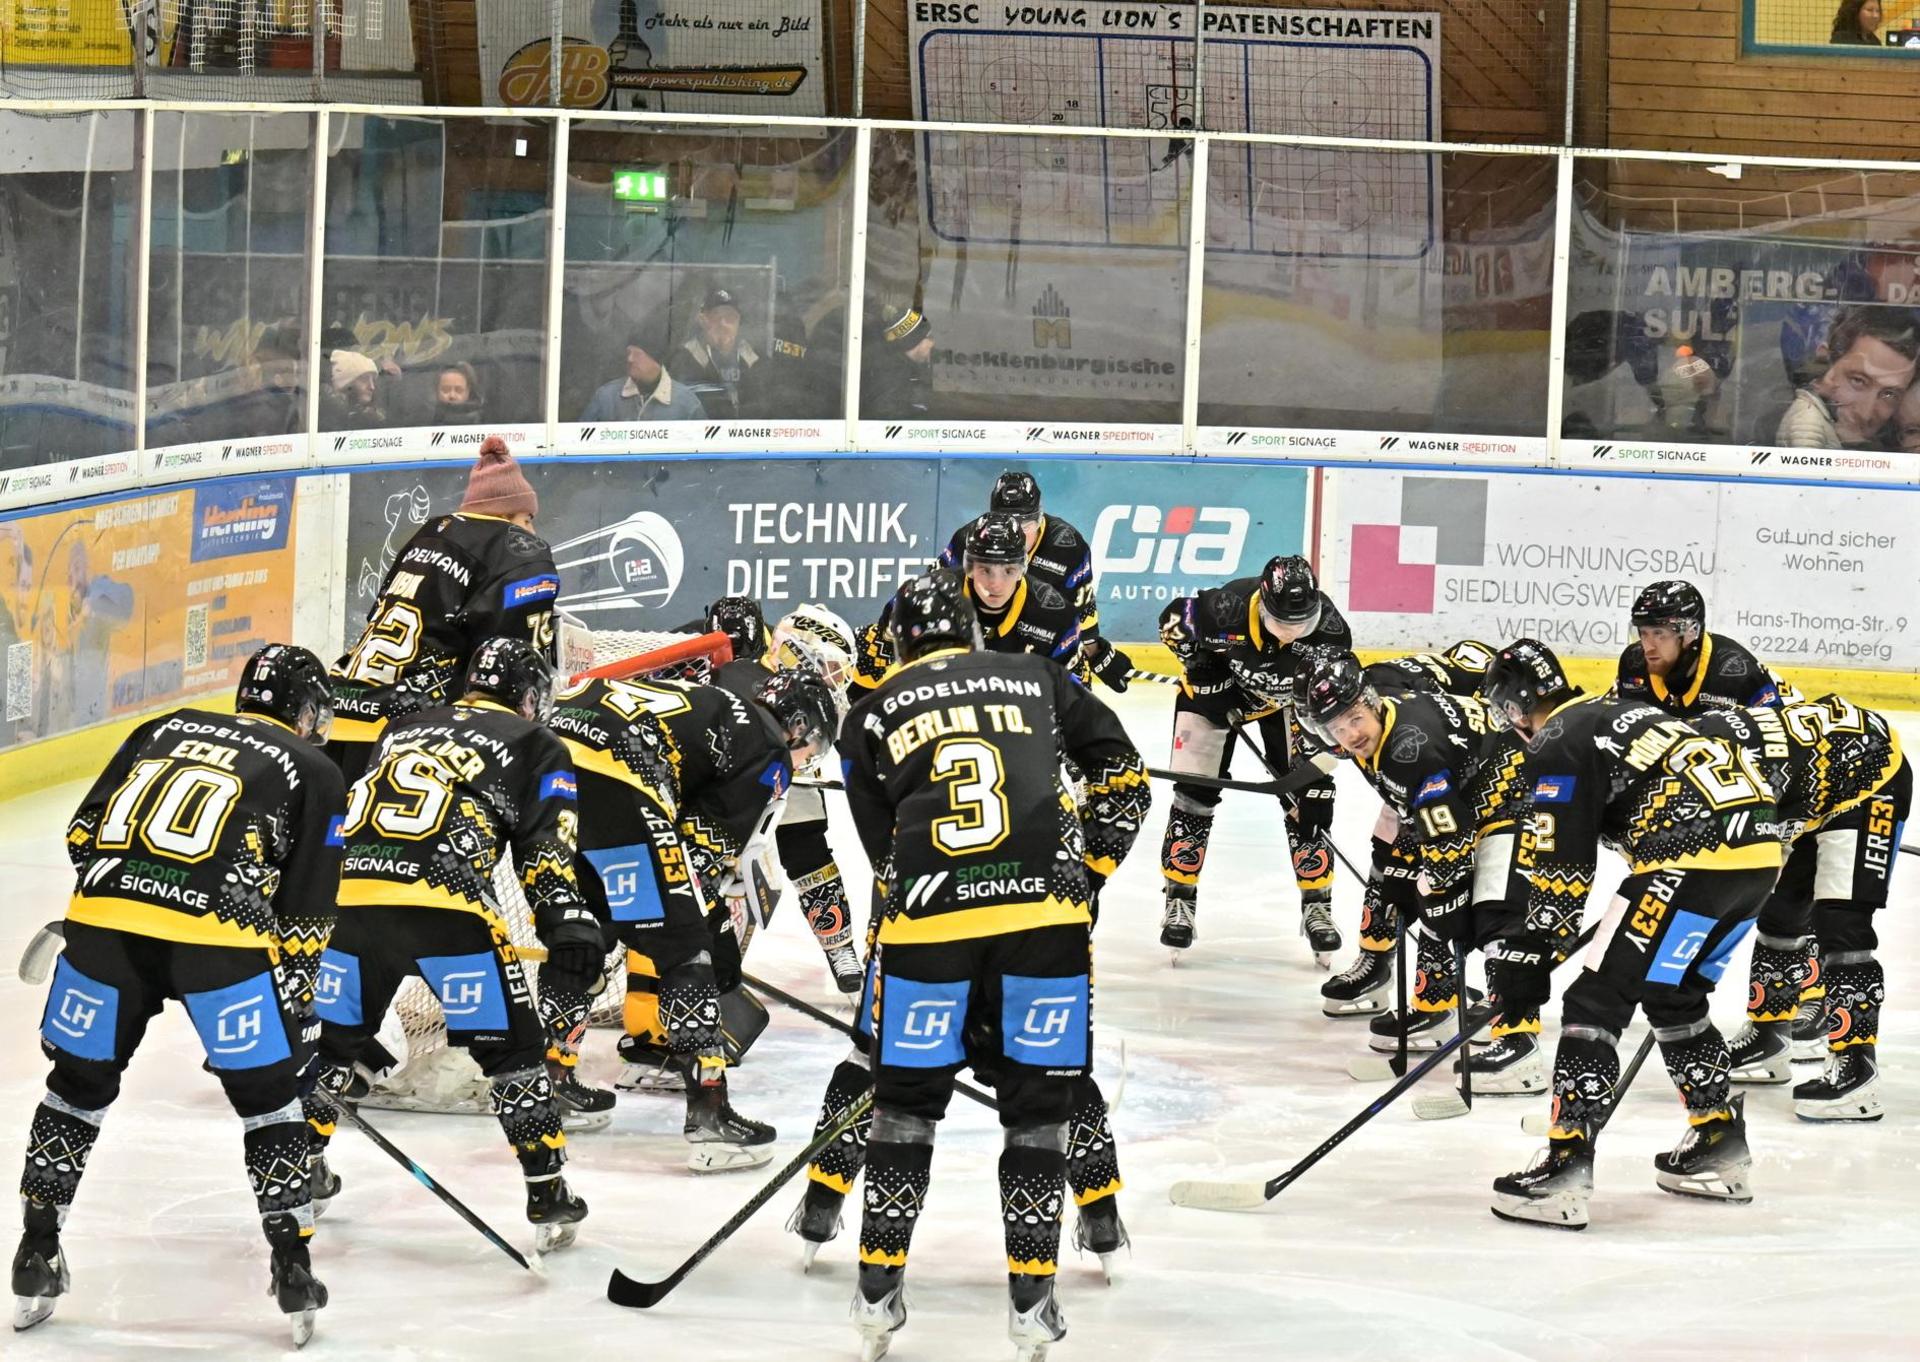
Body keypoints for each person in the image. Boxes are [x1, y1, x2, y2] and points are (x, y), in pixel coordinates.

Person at [795, 548, 1146, 1287]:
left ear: (897, 642)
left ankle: (824, 1206)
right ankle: (1102, 1217)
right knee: (1051, 1075)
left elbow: (886, 858)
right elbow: (1126, 786)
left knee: (879, 1066)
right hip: (1042, 913)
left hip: (925, 922)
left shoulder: (868, 714)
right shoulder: (1042, 677)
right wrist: (1088, 878)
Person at [12, 645, 346, 1343]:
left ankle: (36, 1252)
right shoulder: (316, 769)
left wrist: (134, 892)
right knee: (269, 1102)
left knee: (74, 1088)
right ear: (307, 711)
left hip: (103, 926)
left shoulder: (164, 726)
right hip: (219, 946)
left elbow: (83, 834)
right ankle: (292, 1267)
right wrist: (298, 1020)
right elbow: (308, 913)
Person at [1483, 640, 1782, 1231]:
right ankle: (1717, 1141)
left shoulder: (1555, 739)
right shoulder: (1613, 713)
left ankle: (1565, 1166)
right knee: (1673, 995)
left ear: (1517, 709)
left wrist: (1530, 955)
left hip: (1691, 858)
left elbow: (1563, 867)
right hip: (1760, 858)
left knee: (1595, 1000)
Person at [307, 638, 591, 1254]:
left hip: (347, 900)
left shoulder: (404, 728)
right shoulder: (537, 743)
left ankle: (301, 1168)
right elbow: (547, 846)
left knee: (329, 1044)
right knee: (512, 1052)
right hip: (448, 908)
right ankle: (546, 1190)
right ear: (531, 697)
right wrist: (565, 921)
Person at [542, 665, 838, 1168]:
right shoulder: (767, 744)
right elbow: (700, 851)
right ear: (798, 726)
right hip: (621, 781)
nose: (807, 759)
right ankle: (710, 1114)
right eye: (814, 747)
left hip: (550, 767)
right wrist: (708, 925)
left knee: (588, 931)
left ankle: (551, 1080)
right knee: (686, 949)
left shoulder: (714, 701)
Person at [1308, 642, 1543, 1090]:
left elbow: (1448, 839)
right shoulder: (1378, 733)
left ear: (1371, 704)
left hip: (1522, 795)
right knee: (1428, 892)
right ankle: (1438, 1006)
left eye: (1355, 719)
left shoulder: (1409, 750)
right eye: (1338, 729)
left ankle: (1520, 1042)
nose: (1351, 735)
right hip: (1467, 796)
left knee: (1497, 910)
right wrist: (1411, 870)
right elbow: (1424, 811)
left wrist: (1437, 890)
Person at [1694, 695, 1908, 1118]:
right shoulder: (1694, 764)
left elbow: (1737, 871)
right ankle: (1768, 1038)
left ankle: (1857, 1069)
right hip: (1813, 792)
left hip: (1871, 777)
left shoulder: (1719, 781)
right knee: (1782, 911)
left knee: (1842, 922)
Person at [329, 437, 560, 785]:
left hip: (342, 715)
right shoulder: (518, 548)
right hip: (410, 732)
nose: (532, 530)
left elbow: (377, 612)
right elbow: (505, 663)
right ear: (503, 516)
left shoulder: (430, 533)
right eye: (528, 518)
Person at [1154, 554, 1348, 964]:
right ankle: (1179, 899)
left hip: (1288, 706)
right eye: (1285, 623)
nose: (1295, 634)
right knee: (1194, 792)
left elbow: (1333, 708)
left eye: (1303, 624)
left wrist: (1321, 770)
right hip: (1214, 698)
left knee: (1308, 796)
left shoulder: (1331, 633)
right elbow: (1171, 621)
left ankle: (1318, 905)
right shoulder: (1226, 609)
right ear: (1262, 604)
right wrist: (1200, 666)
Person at [938, 471, 1132, 692]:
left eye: (1025, 523)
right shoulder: (970, 540)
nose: (1017, 532)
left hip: (1038, 643)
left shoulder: (1067, 546)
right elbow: (935, 595)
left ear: (1039, 517)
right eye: (1007, 521)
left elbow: (1080, 607)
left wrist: (1093, 649)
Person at [850, 513, 1084, 688]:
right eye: (986, 570)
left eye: (1008, 571)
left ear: (1022, 569)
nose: (996, 584)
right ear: (969, 567)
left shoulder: (1056, 616)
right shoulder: (924, 596)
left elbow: (1076, 703)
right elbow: (870, 657)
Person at [1614, 580, 1792, 716]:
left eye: (1659, 633)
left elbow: (1776, 738)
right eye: (1643, 633)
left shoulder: (1737, 672)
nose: (1648, 647)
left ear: (1691, 632)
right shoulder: (1633, 663)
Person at [1774, 307, 1918, 448]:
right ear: (1825, 363)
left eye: (1889, 394)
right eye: (1858, 381)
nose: (1865, 414)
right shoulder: (1808, 429)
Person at [667, 288, 764, 421]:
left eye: (730, 318)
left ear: (738, 322)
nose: (723, 324)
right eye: (715, 317)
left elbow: (764, 406)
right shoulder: (684, 358)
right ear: (703, 320)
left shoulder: (754, 357)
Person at [578, 330, 708, 422]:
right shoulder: (606, 397)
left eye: (637, 354)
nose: (629, 359)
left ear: (656, 360)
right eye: (628, 353)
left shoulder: (687, 404)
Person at [860, 301, 934, 419]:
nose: (932, 343)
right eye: (929, 337)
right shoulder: (891, 376)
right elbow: (888, 421)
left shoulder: (905, 367)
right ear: (913, 341)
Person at [324, 350, 385, 429]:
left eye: (373, 380)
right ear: (346, 384)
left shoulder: (376, 419)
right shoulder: (326, 420)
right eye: (364, 379)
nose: (372, 387)